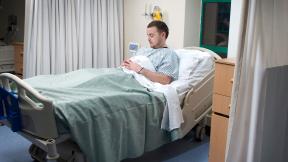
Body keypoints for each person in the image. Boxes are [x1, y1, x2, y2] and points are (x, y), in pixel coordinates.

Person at [122, 20, 179, 85]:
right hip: (123, 73)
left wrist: (140, 69)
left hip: (131, 80)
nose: (148, 39)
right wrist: (126, 64)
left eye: (151, 35)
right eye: (148, 35)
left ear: (163, 35)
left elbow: (166, 80)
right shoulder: (143, 49)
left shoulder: (169, 54)